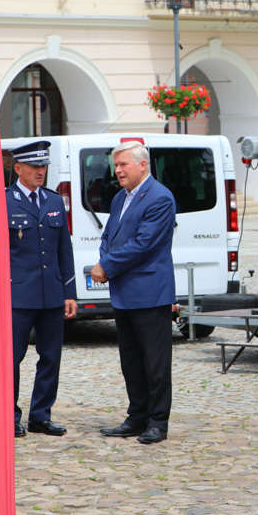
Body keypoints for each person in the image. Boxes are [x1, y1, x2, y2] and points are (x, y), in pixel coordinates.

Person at [91, 141, 176, 444]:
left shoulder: (160, 198)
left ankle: (157, 421)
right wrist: (103, 260)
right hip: (124, 291)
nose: (118, 171)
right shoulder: (119, 198)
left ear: (142, 165)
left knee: (155, 362)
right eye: (116, 166)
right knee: (131, 360)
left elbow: (143, 244)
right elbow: (109, 235)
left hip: (150, 292)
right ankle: (136, 415)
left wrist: (107, 266)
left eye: (123, 164)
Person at [7, 140, 77, 438]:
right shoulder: (3, 201)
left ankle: (40, 415)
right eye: (34, 166)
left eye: (43, 166)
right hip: (18, 294)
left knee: (51, 357)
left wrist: (69, 293)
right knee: (12, 358)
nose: (40, 171)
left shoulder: (53, 201)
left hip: (51, 293)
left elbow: (65, 250)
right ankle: (9, 416)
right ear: (18, 168)